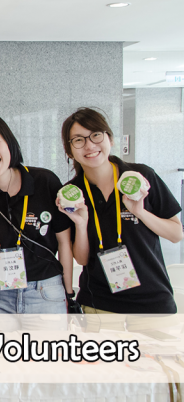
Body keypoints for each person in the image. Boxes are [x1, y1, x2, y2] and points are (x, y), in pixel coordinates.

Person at [58, 107, 183, 331]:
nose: (89, 145)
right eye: (78, 140)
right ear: (69, 150)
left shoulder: (139, 178)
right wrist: (81, 224)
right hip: (100, 305)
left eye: (96, 135)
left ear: (110, 139)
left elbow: (176, 234)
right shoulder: (72, 194)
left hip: (152, 302)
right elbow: (83, 259)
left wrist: (140, 212)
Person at [0, 115, 73, 331]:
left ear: (9, 143)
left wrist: (68, 294)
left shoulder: (44, 181)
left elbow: (64, 242)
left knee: (47, 354)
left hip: (45, 292)